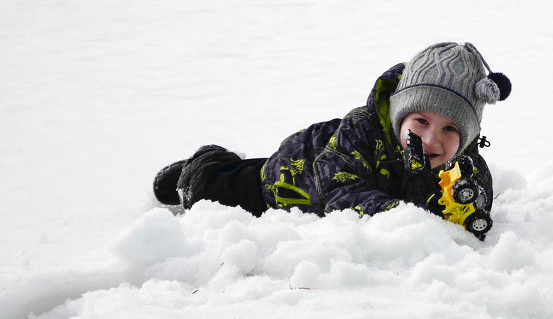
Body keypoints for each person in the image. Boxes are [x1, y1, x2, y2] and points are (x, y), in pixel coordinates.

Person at [151, 42, 510, 239]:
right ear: (401, 114)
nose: (433, 139)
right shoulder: (361, 131)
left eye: (451, 130)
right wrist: (402, 217)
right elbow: (338, 191)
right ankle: (202, 162)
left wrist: (469, 204)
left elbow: (480, 191)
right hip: (289, 181)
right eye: (421, 121)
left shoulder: (459, 161)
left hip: (329, 184)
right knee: (216, 186)